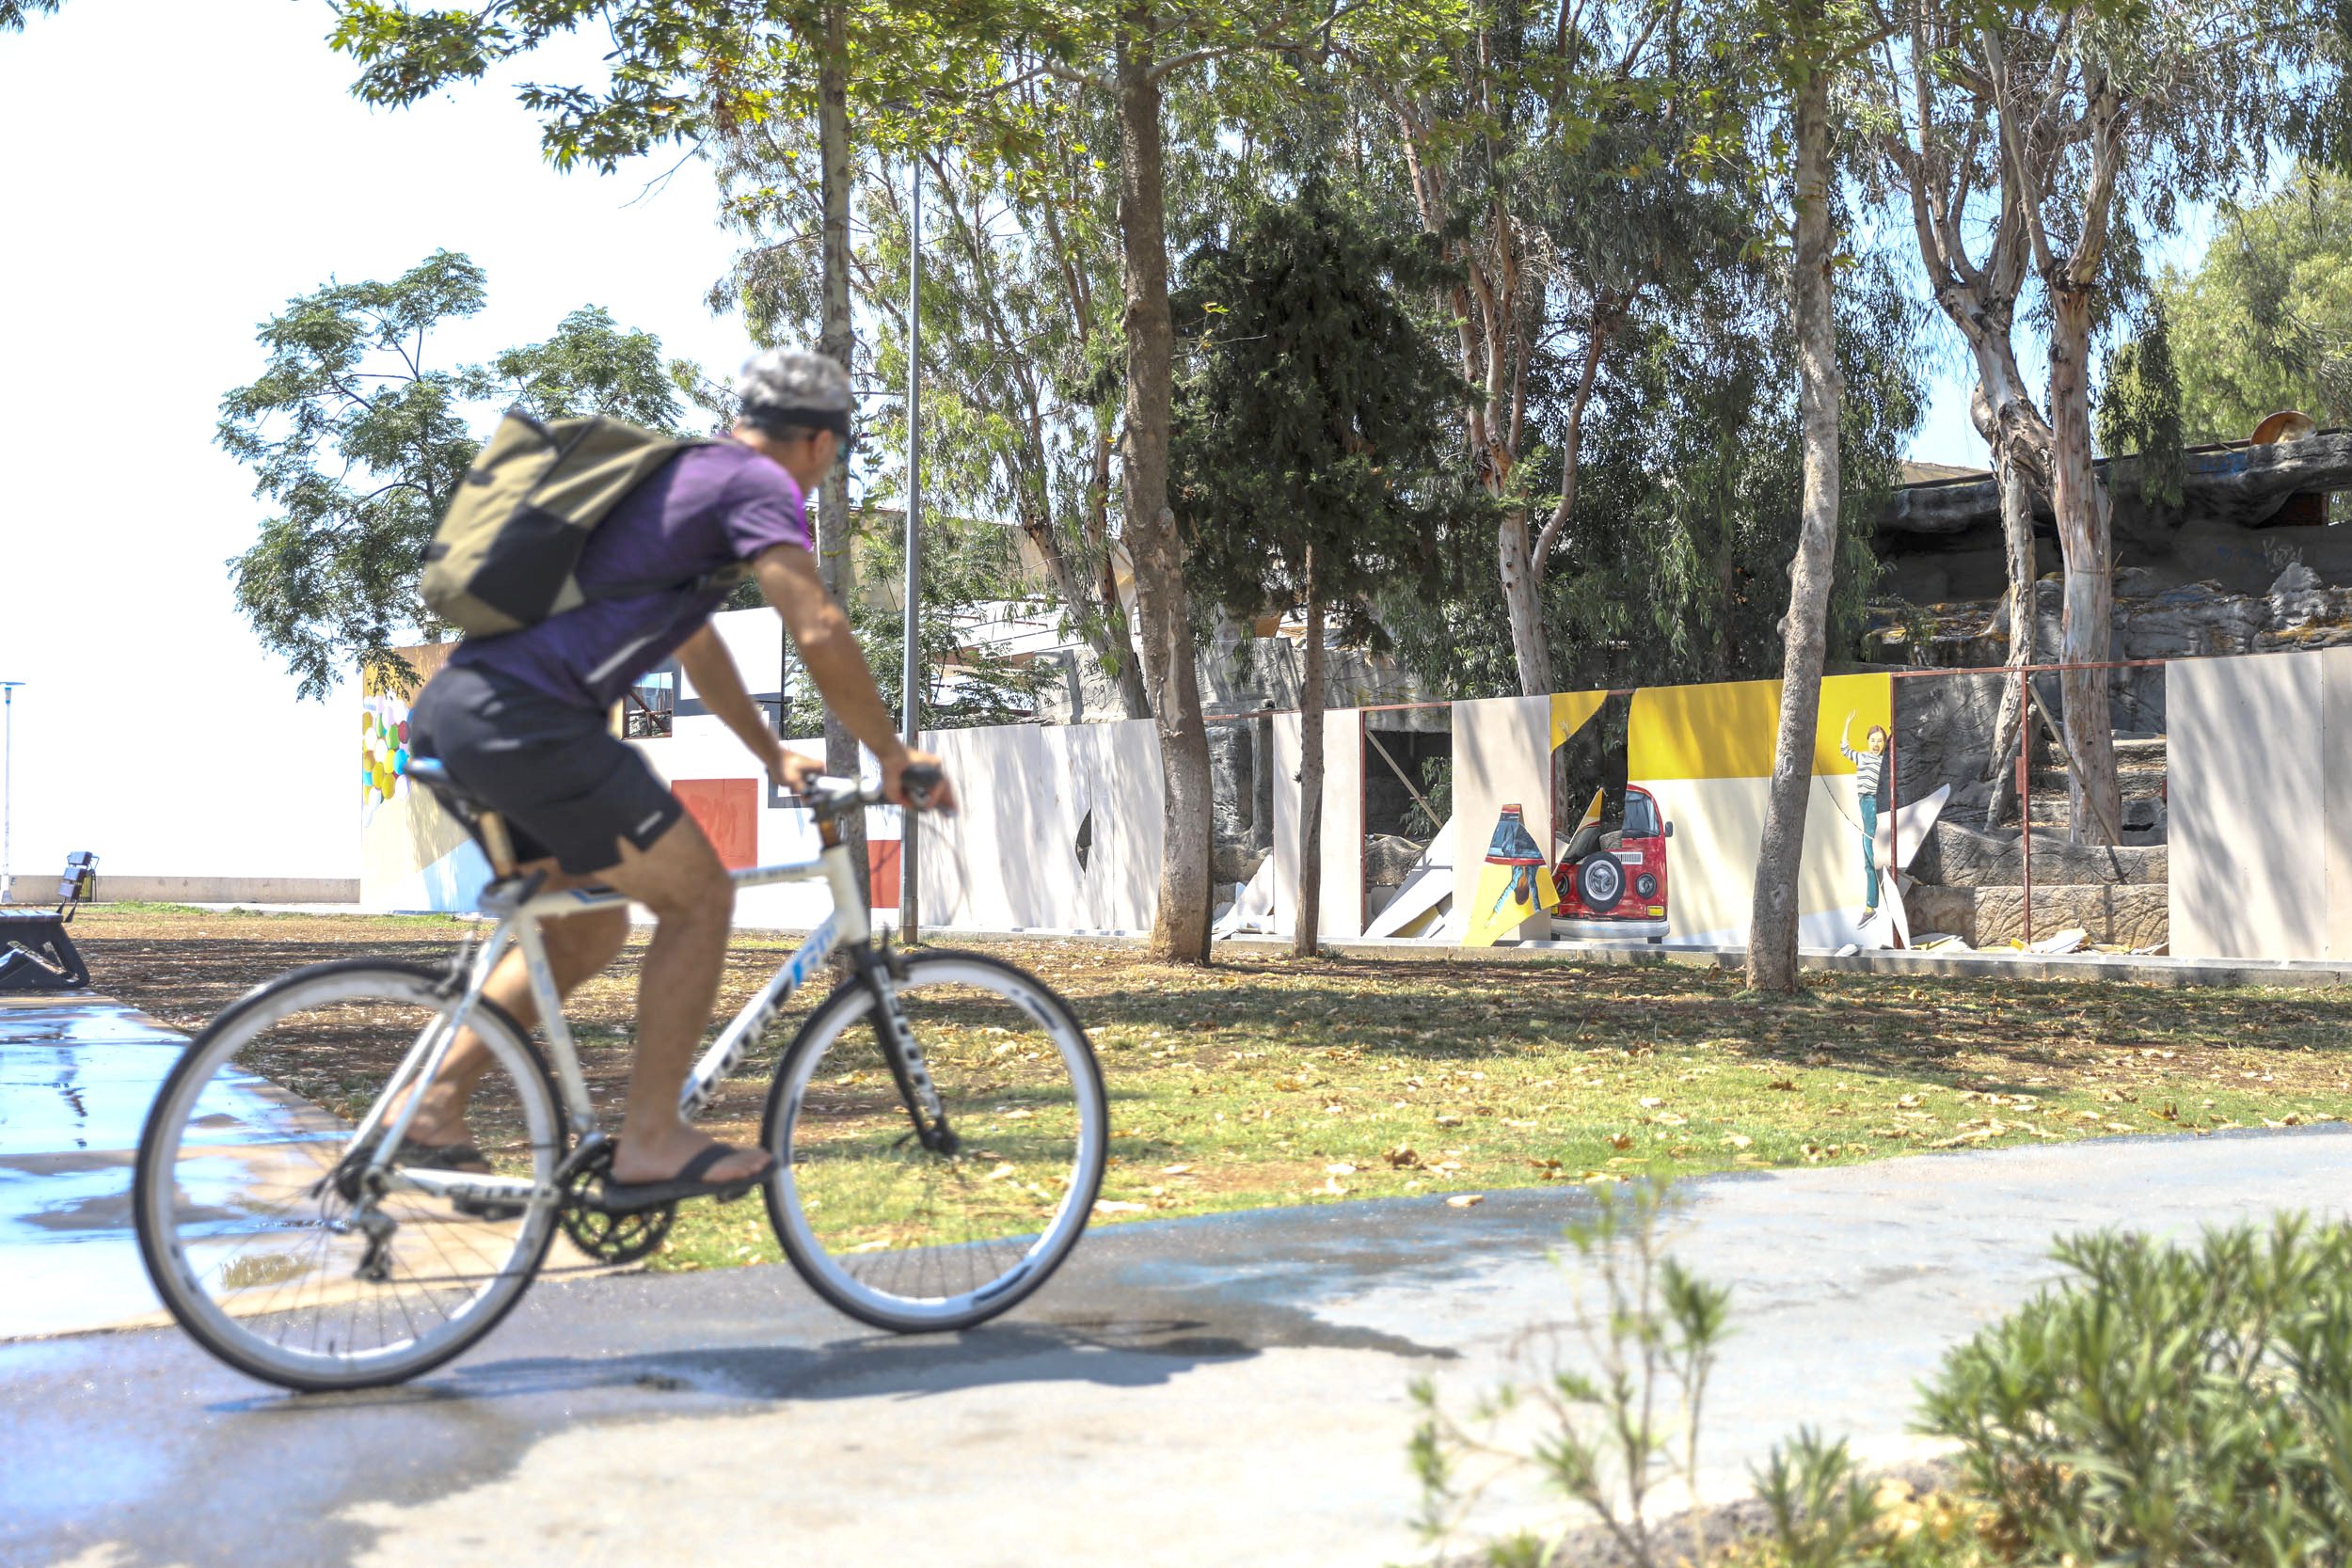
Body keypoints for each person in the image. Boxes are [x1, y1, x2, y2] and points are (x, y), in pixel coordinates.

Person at [401, 347, 956, 1209]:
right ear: (818, 443)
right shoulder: (756, 485)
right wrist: (894, 754)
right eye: (833, 459)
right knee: (699, 896)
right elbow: (815, 624)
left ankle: (431, 1101)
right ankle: (652, 1138)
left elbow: (695, 643)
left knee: (587, 928)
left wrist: (771, 754)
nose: (821, 477)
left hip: (463, 714)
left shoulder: (690, 481)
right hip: (530, 721)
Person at [1839, 713, 1889, 916]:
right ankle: (1872, 903)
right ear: (1868, 741)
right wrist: (1847, 724)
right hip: (1864, 802)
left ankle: (1871, 904)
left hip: (1873, 801)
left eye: (1880, 740)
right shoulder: (1862, 756)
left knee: (1869, 849)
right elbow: (1844, 749)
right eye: (1873, 740)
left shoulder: (1883, 762)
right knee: (1868, 848)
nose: (1876, 744)